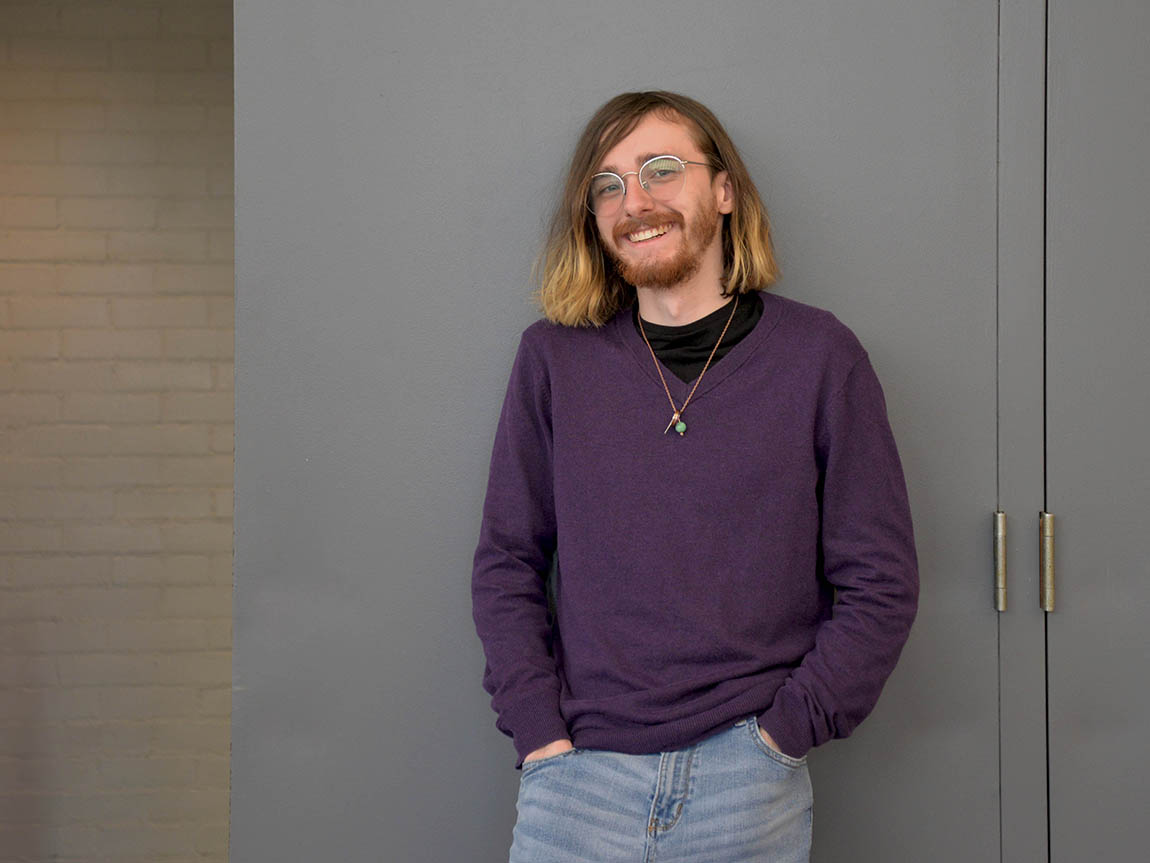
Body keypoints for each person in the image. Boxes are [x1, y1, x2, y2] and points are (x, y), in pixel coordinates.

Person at [471, 90, 919, 862]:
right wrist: (539, 733)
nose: (633, 201)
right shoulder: (553, 359)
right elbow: (506, 561)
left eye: (661, 169)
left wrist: (784, 735)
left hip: (747, 782)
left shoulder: (820, 358)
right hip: (575, 783)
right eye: (607, 184)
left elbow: (881, 579)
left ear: (723, 191)